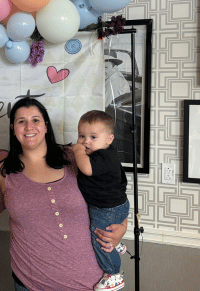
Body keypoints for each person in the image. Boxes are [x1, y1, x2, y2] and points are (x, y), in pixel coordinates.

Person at [0, 97, 128, 291]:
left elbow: (113, 192)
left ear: (46, 126)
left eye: (36, 120)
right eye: (21, 121)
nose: (29, 127)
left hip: (93, 283)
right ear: (14, 128)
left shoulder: (75, 158)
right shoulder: (3, 173)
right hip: (32, 284)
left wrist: (122, 226)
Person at [72, 110, 129, 291]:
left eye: (93, 137)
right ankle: (117, 243)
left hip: (107, 210)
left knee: (99, 239)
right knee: (106, 234)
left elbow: (87, 169)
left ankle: (113, 274)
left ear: (109, 139)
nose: (85, 141)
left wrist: (77, 150)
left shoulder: (103, 156)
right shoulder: (104, 154)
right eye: (81, 136)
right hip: (115, 207)